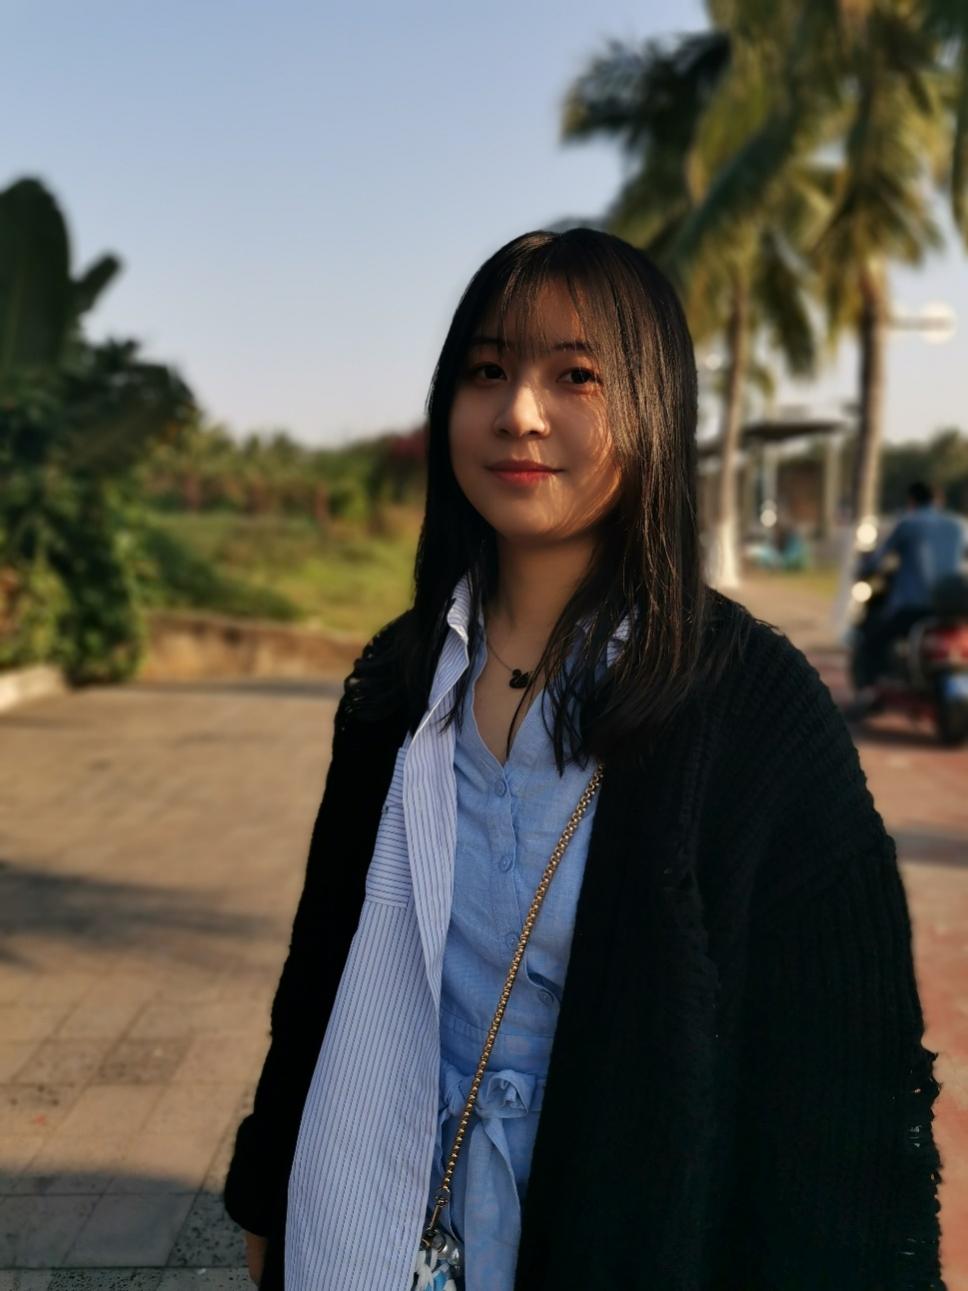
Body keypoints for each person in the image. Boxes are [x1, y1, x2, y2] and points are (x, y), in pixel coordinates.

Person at [222, 230, 945, 1290]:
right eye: (486, 370)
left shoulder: (751, 707)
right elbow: (325, 953)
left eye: (575, 376)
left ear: (653, 405)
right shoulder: (399, 679)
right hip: (367, 1217)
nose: (518, 412)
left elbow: (840, 1071)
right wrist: (266, 1186)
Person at [854, 480, 967, 699]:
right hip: (952, 609)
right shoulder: (958, 525)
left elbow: (877, 559)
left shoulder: (908, 523)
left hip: (913, 608)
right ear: (938, 501)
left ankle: (869, 690)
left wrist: (864, 570)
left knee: (872, 639)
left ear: (912, 501)